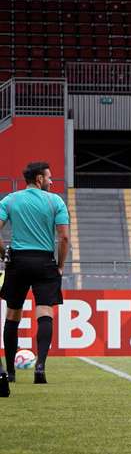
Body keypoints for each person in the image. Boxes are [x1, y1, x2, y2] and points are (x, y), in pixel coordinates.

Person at [0, 161, 70, 395]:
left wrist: (5, 253)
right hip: (44, 263)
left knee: (13, 313)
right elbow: (64, 238)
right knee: (45, 312)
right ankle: (40, 368)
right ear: (39, 179)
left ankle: (10, 371)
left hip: (17, 262)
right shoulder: (56, 201)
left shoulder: (10, 200)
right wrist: (59, 266)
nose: (52, 181)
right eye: (49, 177)